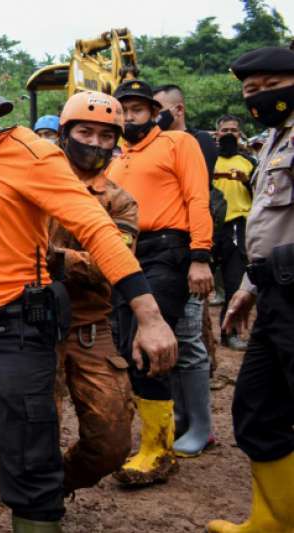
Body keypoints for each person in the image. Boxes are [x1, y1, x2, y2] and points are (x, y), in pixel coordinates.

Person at [0, 61, 177, 533]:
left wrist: (148, 314)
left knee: (30, 466)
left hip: (15, 330)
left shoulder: (32, 156)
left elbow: (98, 230)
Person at [105, 79, 213, 484]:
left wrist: (200, 255)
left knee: (148, 341)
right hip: (126, 252)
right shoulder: (116, 159)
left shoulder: (177, 144)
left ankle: (157, 448)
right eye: (123, 109)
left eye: (137, 109)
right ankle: (156, 436)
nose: (129, 116)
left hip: (169, 248)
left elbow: (197, 197)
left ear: (154, 112)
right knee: (123, 341)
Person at [208, 46, 294, 533]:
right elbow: (267, 224)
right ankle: (273, 521)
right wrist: (246, 288)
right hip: (273, 291)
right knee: (256, 410)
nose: (260, 98)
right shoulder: (274, 143)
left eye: (271, 87)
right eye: (250, 91)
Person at [48, 91, 139, 493]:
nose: (96, 144)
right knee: (36, 430)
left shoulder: (120, 202)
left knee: (112, 441)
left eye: (107, 136)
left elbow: (112, 263)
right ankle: (40, 501)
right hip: (32, 324)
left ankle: (60, 481)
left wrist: (56, 259)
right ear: (65, 133)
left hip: (89, 326)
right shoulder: (36, 184)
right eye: (86, 132)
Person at [151, 83, 219, 459]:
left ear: (177, 110)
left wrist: (200, 255)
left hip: (187, 251)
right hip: (161, 257)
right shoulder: (151, 148)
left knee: (190, 340)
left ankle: (202, 427)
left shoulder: (195, 144)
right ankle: (180, 418)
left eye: (158, 108)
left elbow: (198, 201)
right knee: (173, 338)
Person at [212, 114, 257, 351]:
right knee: (196, 286)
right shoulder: (207, 160)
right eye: (224, 130)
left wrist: (247, 181)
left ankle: (228, 333)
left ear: (240, 134)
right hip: (210, 227)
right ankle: (198, 339)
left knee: (233, 283)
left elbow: (261, 194)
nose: (229, 133)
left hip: (238, 227)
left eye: (233, 130)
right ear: (217, 133)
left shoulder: (250, 162)